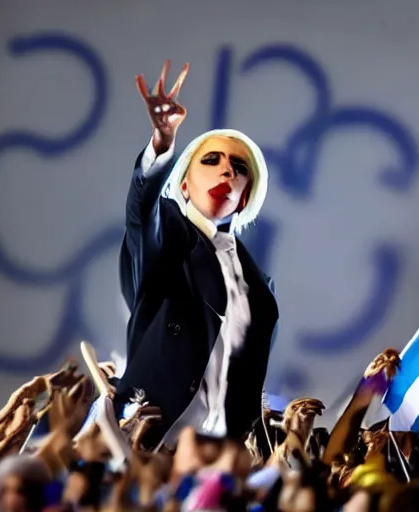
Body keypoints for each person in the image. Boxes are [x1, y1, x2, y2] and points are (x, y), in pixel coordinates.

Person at [114, 59, 279, 449]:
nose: (226, 172)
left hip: (219, 458)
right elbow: (142, 213)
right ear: (184, 184)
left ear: (244, 199)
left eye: (238, 168)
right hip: (149, 442)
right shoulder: (167, 237)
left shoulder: (260, 285)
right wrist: (162, 142)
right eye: (212, 160)